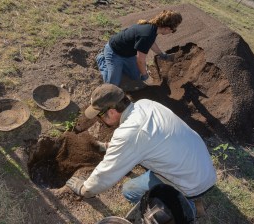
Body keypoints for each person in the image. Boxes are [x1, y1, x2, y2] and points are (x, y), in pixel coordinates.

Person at [60, 83, 217, 216]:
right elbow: (147, 139)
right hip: (202, 167)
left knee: (130, 190)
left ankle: (186, 205)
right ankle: (189, 195)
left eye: (99, 116)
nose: (99, 120)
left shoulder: (131, 133)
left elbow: (106, 174)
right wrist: (108, 146)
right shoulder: (145, 104)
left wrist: (85, 189)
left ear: (111, 112)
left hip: (191, 183)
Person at [96, 10, 182, 86]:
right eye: (173, 30)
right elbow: (140, 61)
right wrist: (145, 77)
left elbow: (151, 43)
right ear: (166, 28)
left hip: (128, 54)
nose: (172, 32)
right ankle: (101, 58)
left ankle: (118, 67)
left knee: (135, 75)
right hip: (114, 52)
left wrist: (162, 55)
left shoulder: (153, 28)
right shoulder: (147, 34)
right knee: (112, 85)